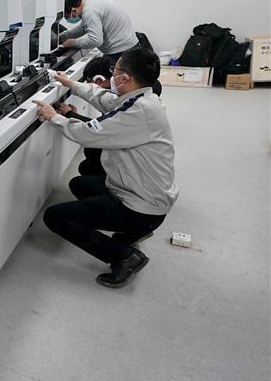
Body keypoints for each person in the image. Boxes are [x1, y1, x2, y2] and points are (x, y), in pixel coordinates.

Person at [32, 47, 178, 289]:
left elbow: (90, 134)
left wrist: (53, 117)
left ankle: (124, 256)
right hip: (143, 192)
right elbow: (105, 99)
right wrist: (70, 83)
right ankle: (130, 233)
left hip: (142, 206)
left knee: (55, 216)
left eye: (116, 69)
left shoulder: (140, 112)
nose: (112, 73)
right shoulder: (143, 98)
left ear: (125, 78)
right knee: (80, 184)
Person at [61, 0, 138, 64]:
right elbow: (82, 28)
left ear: (73, 10)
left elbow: (95, 41)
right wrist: (63, 36)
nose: (67, 19)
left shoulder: (89, 11)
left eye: (66, 16)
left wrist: (73, 43)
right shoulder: (92, 1)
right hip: (129, 47)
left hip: (120, 52)